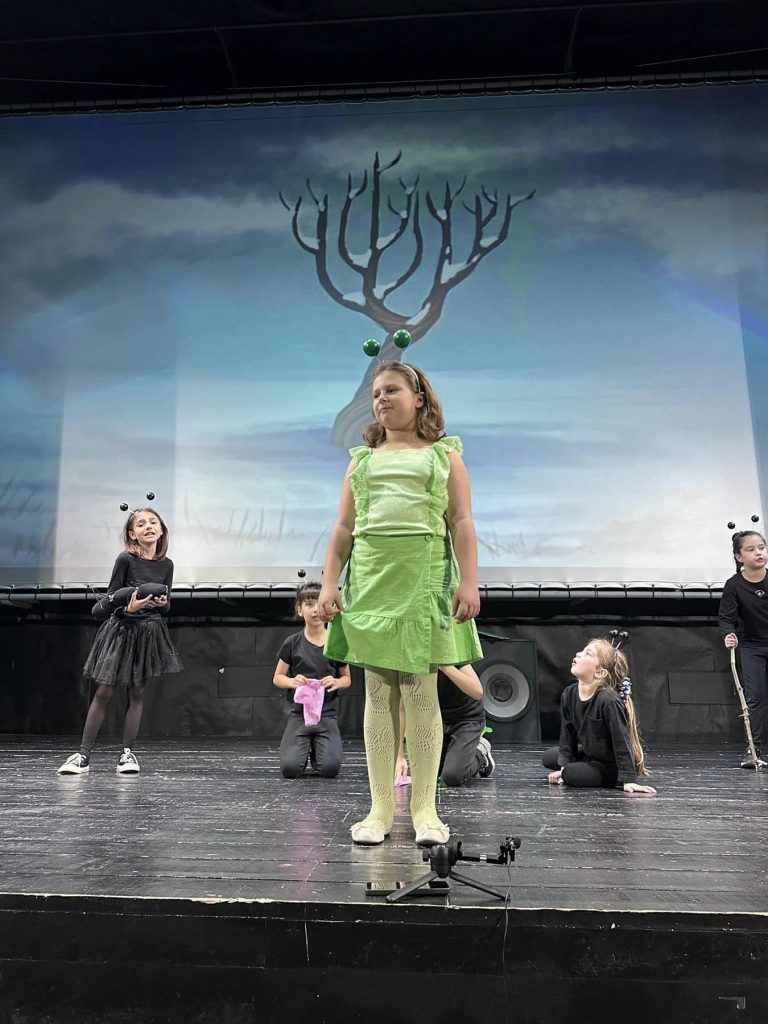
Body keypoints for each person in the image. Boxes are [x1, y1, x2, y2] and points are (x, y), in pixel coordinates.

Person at [318, 360, 483, 846]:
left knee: (420, 692)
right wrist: (329, 583)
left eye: (391, 390)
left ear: (419, 398)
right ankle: (379, 811)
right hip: (372, 581)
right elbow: (343, 528)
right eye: (376, 394)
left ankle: (426, 811)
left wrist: (469, 582)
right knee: (377, 695)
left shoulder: (443, 456)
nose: (381, 400)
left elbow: (462, 522)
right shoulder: (362, 461)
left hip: (423, 578)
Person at [57, 507, 183, 776]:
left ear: (161, 530)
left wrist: (161, 604)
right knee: (104, 691)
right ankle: (83, 755)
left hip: (148, 633)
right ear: (132, 534)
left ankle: (127, 754)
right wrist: (130, 608)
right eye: (141, 524)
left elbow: (167, 606)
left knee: (137, 693)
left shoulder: (167, 565)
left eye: (153, 522)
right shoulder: (125, 559)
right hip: (122, 629)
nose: (148, 527)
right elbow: (111, 597)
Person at [542, 638, 656, 795]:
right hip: (590, 753)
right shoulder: (569, 693)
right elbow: (568, 734)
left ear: (600, 672)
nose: (578, 654)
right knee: (550, 758)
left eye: (587, 653)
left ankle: (594, 772)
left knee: (570, 774)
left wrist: (628, 779)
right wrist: (563, 767)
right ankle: (576, 767)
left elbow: (621, 740)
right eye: (582, 651)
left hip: (609, 764)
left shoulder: (608, 700)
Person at [273, 581, 351, 778]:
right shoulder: (292, 643)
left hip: (326, 715)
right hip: (299, 715)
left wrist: (336, 682)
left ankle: (318, 749)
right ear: (300, 610)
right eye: (309, 604)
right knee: (290, 769)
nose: (315, 610)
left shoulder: (336, 642)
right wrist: (292, 681)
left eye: (319, 603)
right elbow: (278, 677)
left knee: (330, 769)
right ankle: (304, 745)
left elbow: (346, 679)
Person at [395, 664, 495, 786]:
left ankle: (481, 754)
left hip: (466, 719)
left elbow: (477, 691)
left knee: (452, 776)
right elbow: (402, 709)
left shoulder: (452, 657)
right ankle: (453, 753)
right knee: (428, 774)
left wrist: (447, 668)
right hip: (436, 721)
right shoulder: (412, 664)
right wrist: (399, 756)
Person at [719, 529, 768, 767]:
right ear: (739, 557)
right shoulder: (734, 585)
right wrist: (729, 635)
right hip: (753, 646)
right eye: (751, 549)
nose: (758, 553)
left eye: (762, 548)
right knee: (755, 696)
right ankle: (753, 749)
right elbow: (726, 618)